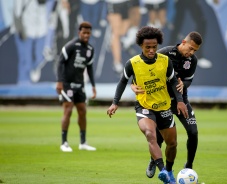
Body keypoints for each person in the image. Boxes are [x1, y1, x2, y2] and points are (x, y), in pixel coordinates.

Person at [107, 26, 188, 184]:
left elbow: (173, 82)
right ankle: (163, 171)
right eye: (147, 47)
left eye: (154, 47)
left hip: (164, 106)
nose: (151, 50)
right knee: (150, 135)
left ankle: (169, 170)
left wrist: (179, 101)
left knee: (172, 144)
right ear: (141, 46)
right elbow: (123, 81)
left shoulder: (165, 61)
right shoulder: (133, 63)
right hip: (144, 106)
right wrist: (114, 103)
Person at [131, 31, 203, 178]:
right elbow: (142, 70)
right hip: (162, 102)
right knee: (160, 138)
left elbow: (189, 80)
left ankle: (189, 166)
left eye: (195, 50)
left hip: (181, 101)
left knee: (193, 132)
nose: (192, 52)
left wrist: (184, 83)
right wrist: (133, 85)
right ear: (183, 42)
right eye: (190, 48)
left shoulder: (192, 60)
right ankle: (153, 161)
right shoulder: (165, 53)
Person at [56, 21, 97, 152]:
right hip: (67, 84)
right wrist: (60, 81)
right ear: (79, 32)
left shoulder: (90, 49)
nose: (86, 35)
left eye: (88, 33)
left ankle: (83, 142)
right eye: (84, 32)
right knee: (68, 111)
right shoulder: (71, 46)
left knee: (83, 111)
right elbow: (60, 62)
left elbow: (89, 68)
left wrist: (93, 86)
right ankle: (64, 143)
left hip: (80, 85)